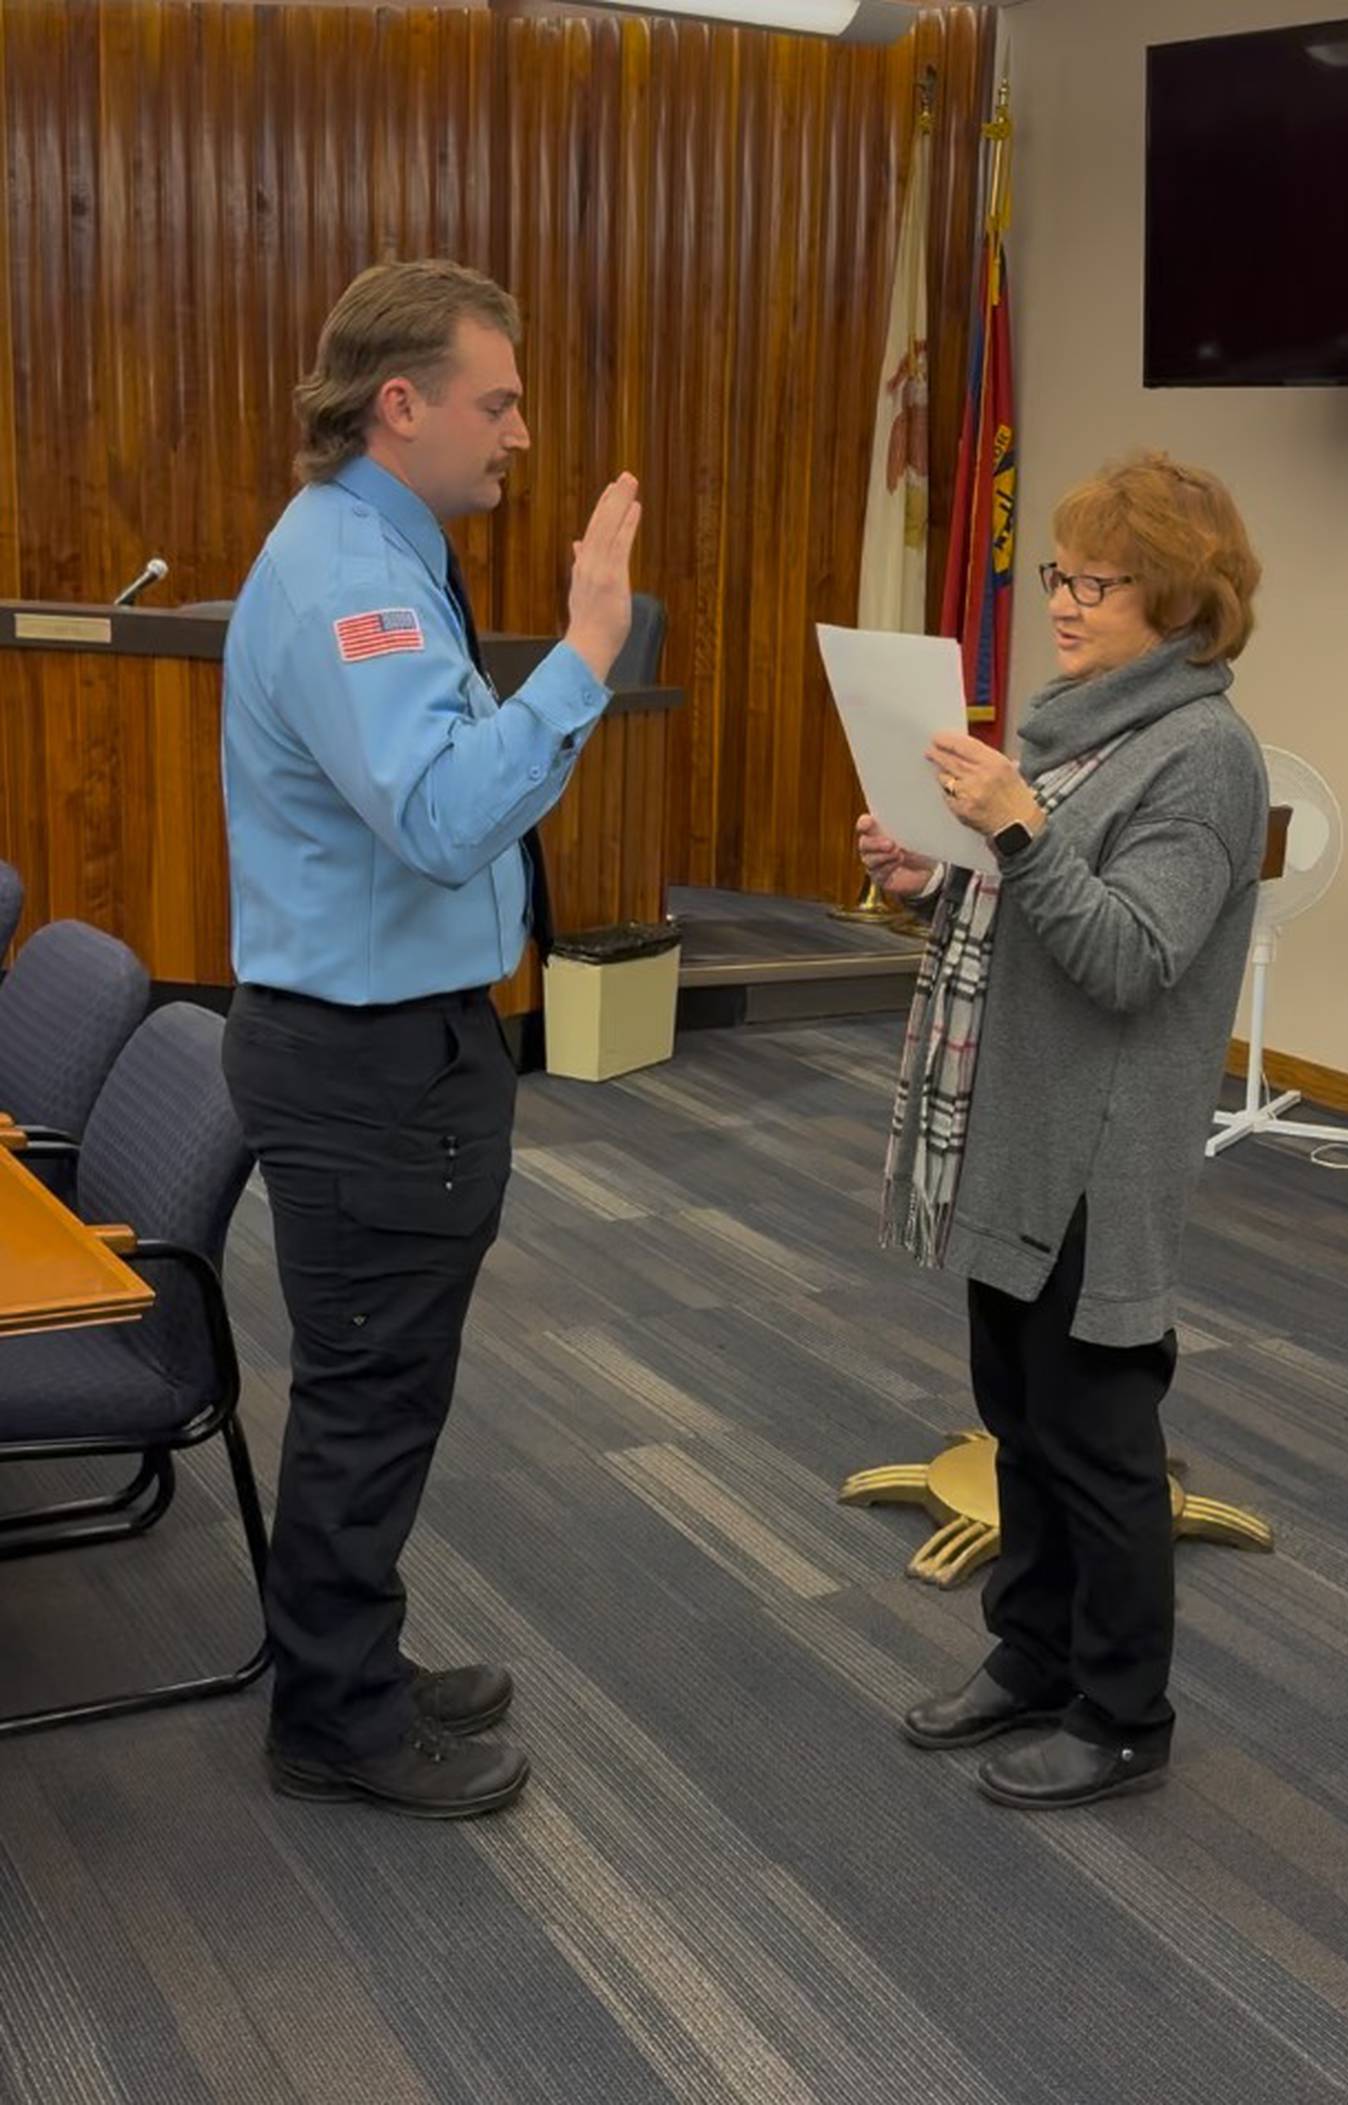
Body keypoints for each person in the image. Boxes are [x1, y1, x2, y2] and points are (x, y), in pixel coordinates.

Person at [221, 259, 640, 1818]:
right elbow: (450, 816)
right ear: (401, 405)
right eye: (498, 399)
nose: (520, 432)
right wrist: (589, 649)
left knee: (382, 1385)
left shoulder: (377, 553)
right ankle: (335, 1715)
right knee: (369, 1392)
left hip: (391, 1043)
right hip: (367, 1061)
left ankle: (353, 1658)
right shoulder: (353, 581)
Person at [858, 451, 1266, 1809]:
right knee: (1019, 1423)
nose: (1068, 602)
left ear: (1180, 599)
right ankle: (1030, 1653)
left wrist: (1018, 830)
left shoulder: (1205, 754)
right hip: (1011, 1132)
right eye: (1064, 575)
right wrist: (938, 877)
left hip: (1096, 1157)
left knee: (1100, 1448)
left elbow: (1131, 957)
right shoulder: (1076, 723)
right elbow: (1024, 921)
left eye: (1101, 580)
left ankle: (1122, 1709)